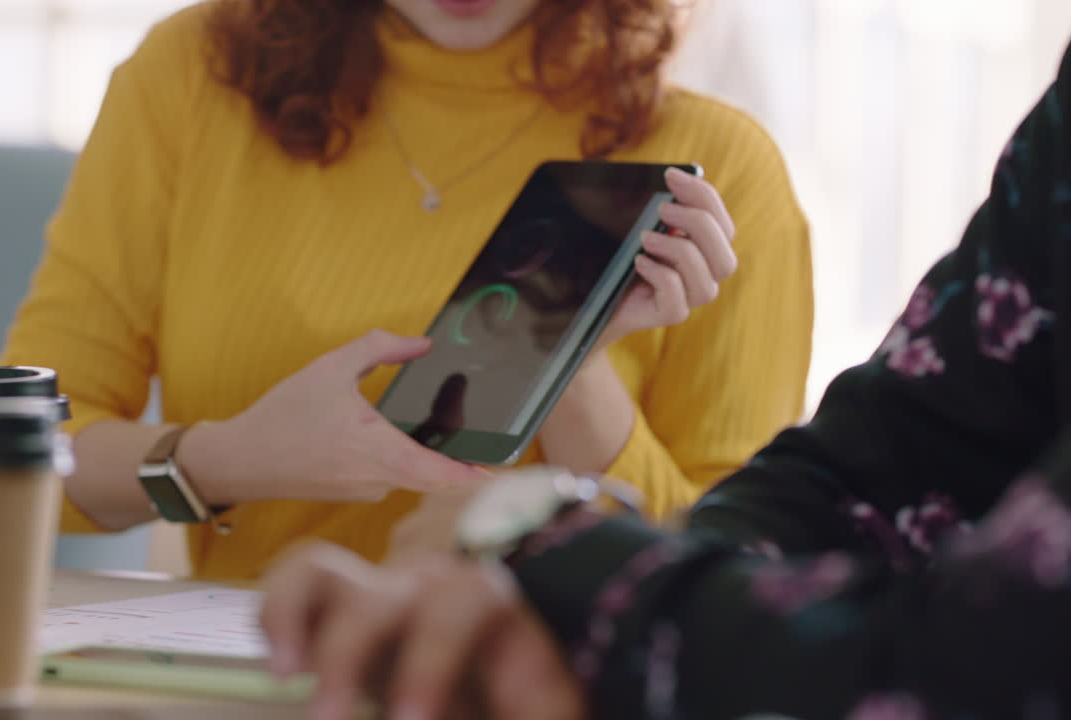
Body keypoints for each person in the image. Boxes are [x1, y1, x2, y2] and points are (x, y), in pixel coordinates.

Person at [258, 42, 1071, 720]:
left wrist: (553, 543)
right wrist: (565, 601)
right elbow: (882, 460)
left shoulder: (728, 159)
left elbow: (1009, 645)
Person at [0, 0, 812, 580]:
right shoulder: (189, 78)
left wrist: (565, 363)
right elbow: (17, 456)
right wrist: (229, 459)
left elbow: (738, 581)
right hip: (252, 678)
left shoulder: (717, 167)